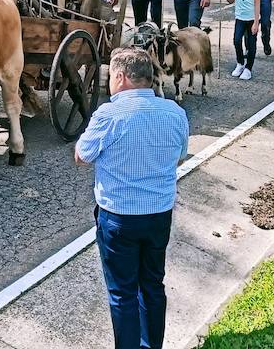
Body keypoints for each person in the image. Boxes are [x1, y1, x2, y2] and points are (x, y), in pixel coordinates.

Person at [74, 48, 189, 349]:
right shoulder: (175, 113)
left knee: (122, 293)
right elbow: (180, 155)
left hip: (118, 216)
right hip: (159, 213)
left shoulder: (108, 115)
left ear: (121, 77)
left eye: (111, 76)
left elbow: (82, 156)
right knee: (152, 285)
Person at [222, 0, 261, 80]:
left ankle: (248, 68)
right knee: (237, 40)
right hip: (240, 18)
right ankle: (240, 63)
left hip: (251, 19)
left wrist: (256, 22)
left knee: (251, 44)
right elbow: (231, 0)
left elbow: (257, 5)